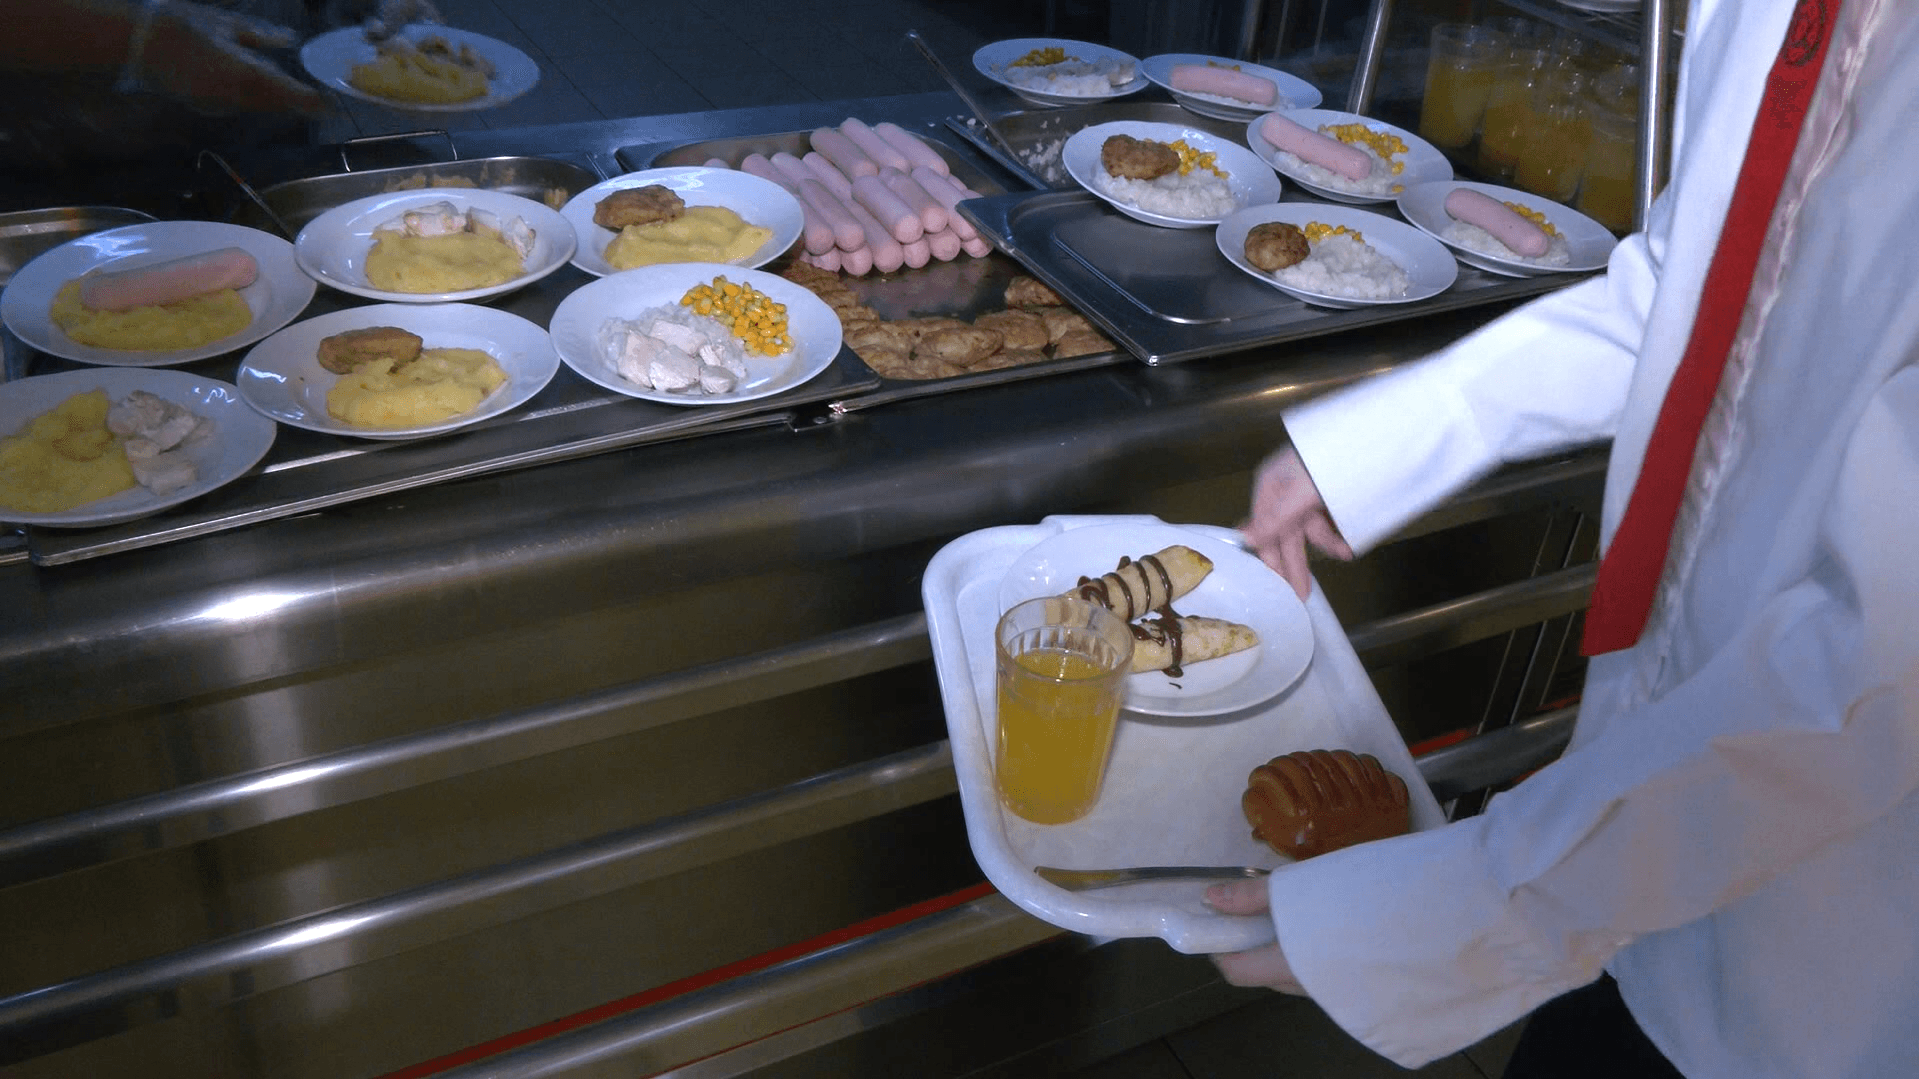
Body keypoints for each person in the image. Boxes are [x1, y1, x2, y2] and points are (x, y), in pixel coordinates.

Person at [1209, 0, 1919, 1076]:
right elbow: (1685, 289)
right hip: (1621, 846)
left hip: (1813, 966)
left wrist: (1482, 902)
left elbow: (1875, 668)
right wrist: (1385, 442)